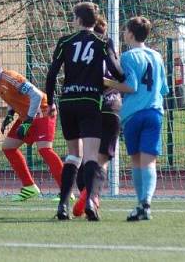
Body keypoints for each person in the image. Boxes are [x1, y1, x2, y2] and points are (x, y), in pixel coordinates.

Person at [45, 2, 125, 221]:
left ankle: (62, 205)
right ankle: (89, 200)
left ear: (78, 20)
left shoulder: (65, 42)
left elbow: (52, 74)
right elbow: (116, 69)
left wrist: (50, 102)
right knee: (90, 155)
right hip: (90, 101)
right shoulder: (102, 41)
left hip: (68, 101)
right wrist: (123, 78)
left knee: (73, 155)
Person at [106, 16, 169, 221]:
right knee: (149, 161)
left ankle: (142, 203)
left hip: (133, 115)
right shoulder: (157, 56)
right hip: (154, 113)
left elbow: (131, 86)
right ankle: (145, 204)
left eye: (125, 31)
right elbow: (163, 89)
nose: (124, 34)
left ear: (131, 34)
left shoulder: (128, 56)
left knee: (136, 161)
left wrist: (107, 82)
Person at [0, 52, 63, 201]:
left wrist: (28, 121)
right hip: (27, 116)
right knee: (8, 147)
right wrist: (10, 114)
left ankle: (66, 190)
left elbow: (36, 95)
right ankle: (29, 187)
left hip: (42, 112)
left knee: (45, 150)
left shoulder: (9, 77)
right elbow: (14, 98)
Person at [73, 16, 121, 217]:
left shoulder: (83, 53)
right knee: (102, 161)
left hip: (89, 106)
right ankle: (91, 198)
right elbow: (119, 78)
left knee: (87, 157)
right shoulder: (111, 52)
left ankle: (86, 196)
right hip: (112, 107)